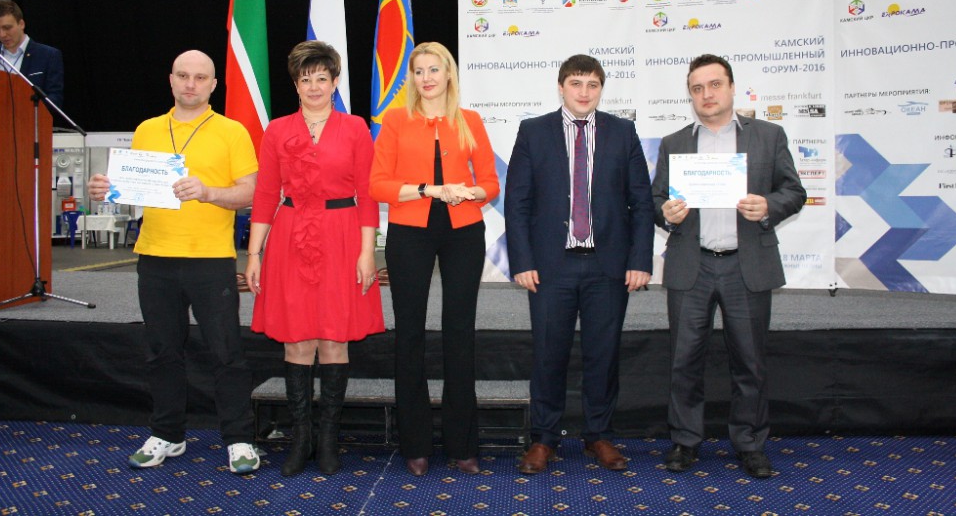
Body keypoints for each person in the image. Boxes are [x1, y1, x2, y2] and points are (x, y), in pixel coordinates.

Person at [88, 50, 261, 474]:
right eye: (183, 75)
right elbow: (133, 189)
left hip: (210, 259)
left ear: (213, 84)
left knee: (226, 353)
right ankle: (167, 433)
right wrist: (107, 190)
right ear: (171, 80)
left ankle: (239, 438)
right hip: (155, 257)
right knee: (161, 352)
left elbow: (251, 192)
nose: (190, 84)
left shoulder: (232, 131)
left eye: (200, 77)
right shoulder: (147, 129)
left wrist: (208, 192)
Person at [651, 53, 805, 479]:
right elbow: (655, 199)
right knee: (684, 360)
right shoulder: (674, 143)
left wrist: (768, 205)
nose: (707, 94)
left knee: (750, 362)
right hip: (692, 265)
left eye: (715, 85)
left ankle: (750, 444)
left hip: (746, 265)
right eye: (697, 88)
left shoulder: (769, 136)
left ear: (732, 88)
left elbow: (794, 191)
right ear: (690, 94)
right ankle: (685, 441)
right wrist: (666, 212)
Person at [504, 54, 655, 474]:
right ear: (561, 87)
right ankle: (544, 438)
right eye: (576, 83)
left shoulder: (623, 132)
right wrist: (522, 260)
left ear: (601, 89)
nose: (584, 92)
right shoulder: (533, 131)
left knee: (603, 355)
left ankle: (599, 435)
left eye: (592, 84)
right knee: (547, 354)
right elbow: (517, 202)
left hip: (609, 266)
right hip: (550, 266)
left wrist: (640, 259)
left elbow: (641, 202)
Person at [245, 41, 384, 476]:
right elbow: (266, 193)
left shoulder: (355, 128)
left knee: (334, 338)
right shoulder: (277, 130)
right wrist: (253, 253)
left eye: (322, 78)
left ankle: (328, 440)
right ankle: (300, 438)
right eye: (305, 79)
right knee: (297, 339)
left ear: (335, 82)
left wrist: (367, 253)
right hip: (289, 238)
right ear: (296, 85)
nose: (314, 86)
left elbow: (367, 196)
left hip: (343, 237)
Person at [369, 42, 499, 477]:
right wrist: (429, 189)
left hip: (464, 231)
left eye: (434, 69)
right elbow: (378, 184)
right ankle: (415, 444)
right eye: (419, 71)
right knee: (409, 333)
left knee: (459, 332)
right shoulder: (395, 121)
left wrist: (470, 191)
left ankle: (463, 444)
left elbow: (491, 184)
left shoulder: (470, 120)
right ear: (411, 77)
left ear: (448, 75)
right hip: (410, 230)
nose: (426, 78)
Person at [0, 0, 65, 108]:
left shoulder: (48, 55)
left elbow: (55, 99)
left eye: (7, 27)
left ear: (21, 24)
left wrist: (24, 107)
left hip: (30, 117)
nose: (2, 34)